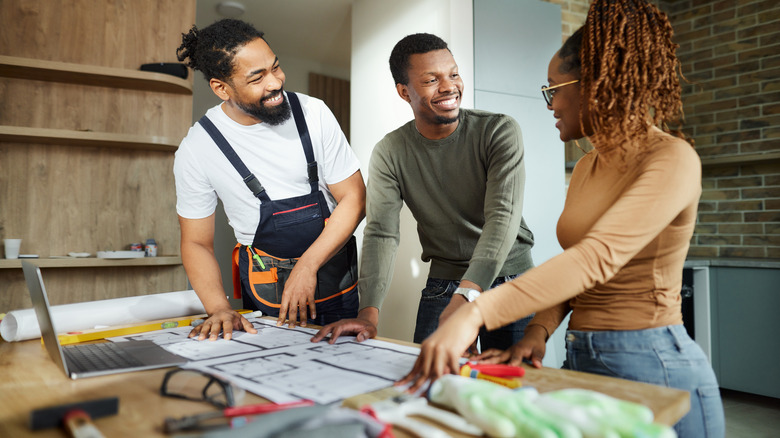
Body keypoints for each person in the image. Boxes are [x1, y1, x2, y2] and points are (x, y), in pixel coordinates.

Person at [398, 1, 726, 437]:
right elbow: (575, 272)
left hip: (653, 363)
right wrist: (536, 331)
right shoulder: (588, 167)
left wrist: (473, 315)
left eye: (554, 88)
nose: (550, 102)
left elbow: (595, 259)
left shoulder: (670, 158)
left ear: (595, 84)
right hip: (581, 359)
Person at [313, 33, 535, 353]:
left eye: (454, 74)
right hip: (445, 282)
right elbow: (381, 233)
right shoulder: (390, 151)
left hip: (511, 278)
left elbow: (502, 217)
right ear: (404, 92)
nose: (449, 86)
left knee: (512, 390)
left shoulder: (498, 130)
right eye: (432, 79)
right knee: (431, 383)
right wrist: (368, 313)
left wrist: (468, 295)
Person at [174, 19, 366, 340]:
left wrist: (307, 266)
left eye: (275, 67)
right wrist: (218, 307)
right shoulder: (199, 148)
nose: (275, 83)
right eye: (257, 77)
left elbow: (354, 198)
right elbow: (196, 242)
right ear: (222, 88)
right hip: (268, 288)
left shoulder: (313, 112)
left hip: (333, 274)